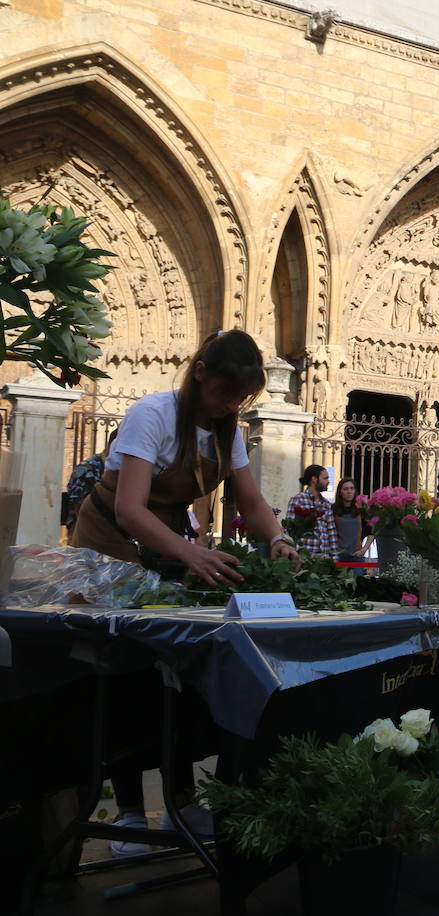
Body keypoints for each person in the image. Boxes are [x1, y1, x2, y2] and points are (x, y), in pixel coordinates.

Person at [69, 329, 301, 854]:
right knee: (127, 668)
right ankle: (128, 813)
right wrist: (191, 552)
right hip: (111, 543)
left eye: (239, 398)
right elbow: (129, 508)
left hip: (168, 546)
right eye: (224, 392)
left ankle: (179, 797)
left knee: (174, 671)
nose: (229, 405)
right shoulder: (151, 415)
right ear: (200, 371)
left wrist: (280, 539)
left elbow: (251, 500)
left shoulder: (226, 430)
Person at [287, 464, 339, 558]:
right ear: (314, 479)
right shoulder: (298, 500)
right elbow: (289, 530)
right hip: (304, 558)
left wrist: (334, 559)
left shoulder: (327, 504)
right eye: (325, 478)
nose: (328, 481)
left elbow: (331, 534)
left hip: (324, 561)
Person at [333, 476, 371, 566]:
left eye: (351, 488)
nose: (349, 491)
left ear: (355, 491)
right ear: (340, 492)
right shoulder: (333, 509)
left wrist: (364, 550)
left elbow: (371, 532)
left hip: (356, 556)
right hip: (338, 556)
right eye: (345, 489)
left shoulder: (361, 509)